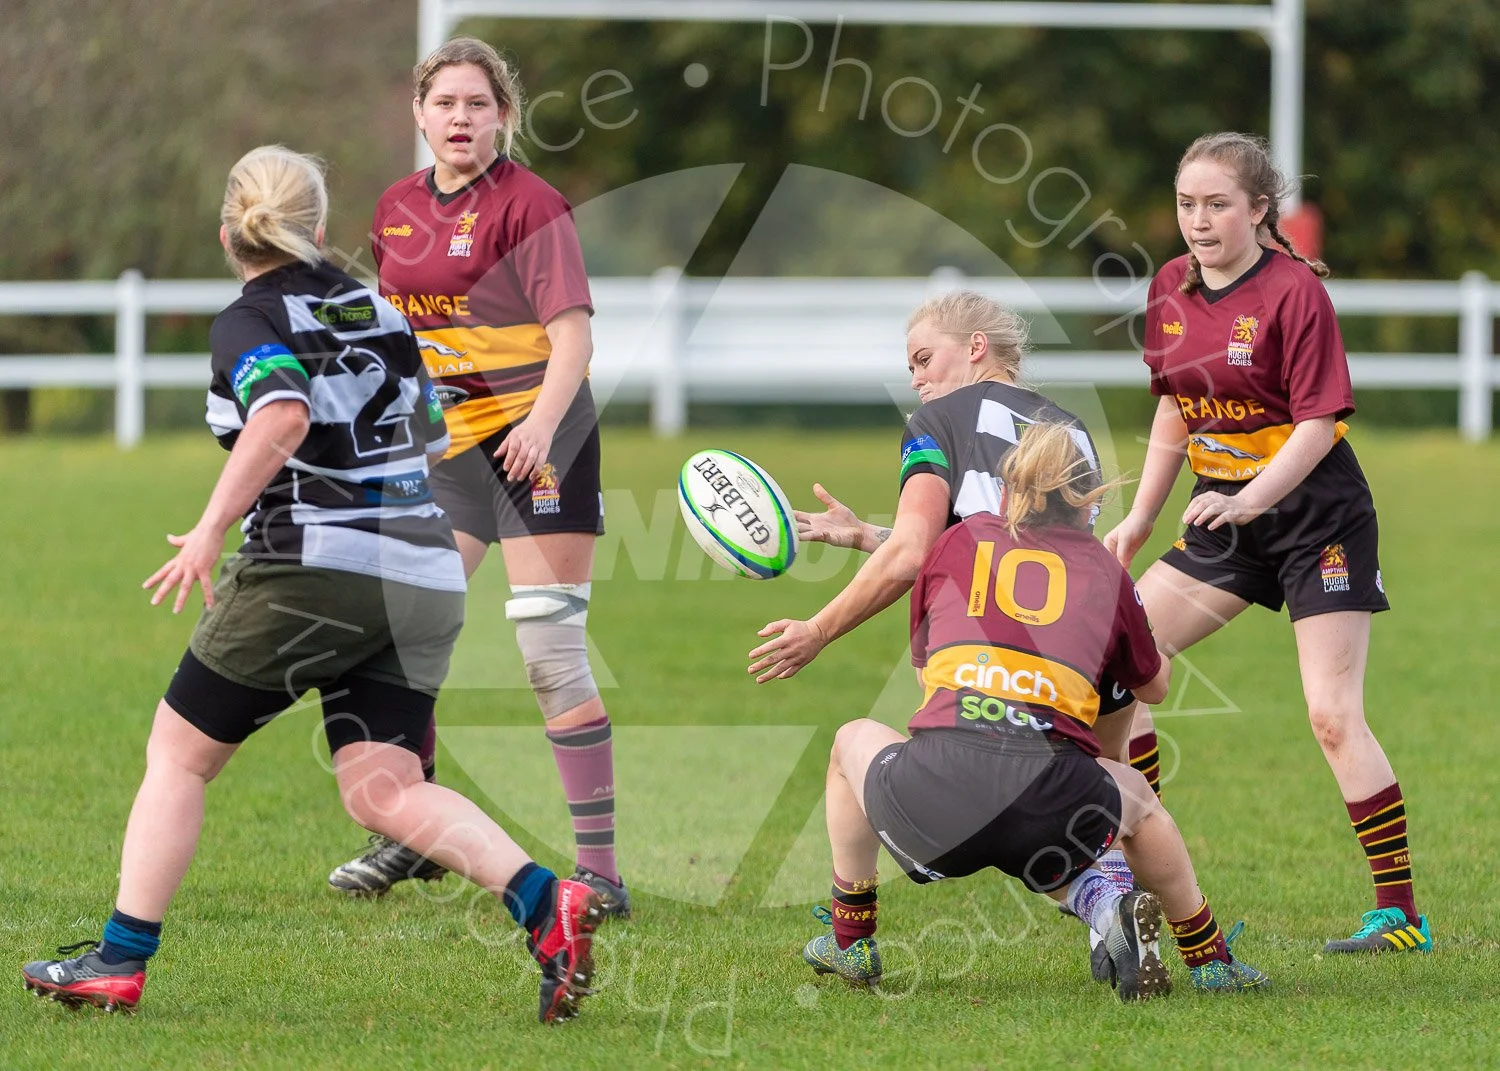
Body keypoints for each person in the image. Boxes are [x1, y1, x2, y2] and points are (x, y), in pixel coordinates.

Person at [20, 146, 603, 1024]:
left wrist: (212, 529)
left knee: (178, 755)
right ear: (320, 228)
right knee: (384, 788)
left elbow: (283, 410)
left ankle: (119, 958)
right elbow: (431, 429)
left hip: (312, 572)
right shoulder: (379, 306)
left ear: (228, 233)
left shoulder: (247, 319)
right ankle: (544, 902)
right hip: (424, 573)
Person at [752, 290, 1189, 979]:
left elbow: (925, 555)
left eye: (925, 358)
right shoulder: (1070, 431)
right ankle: (1117, 898)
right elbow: (1035, 558)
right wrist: (872, 533)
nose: (917, 378)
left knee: (904, 763)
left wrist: (818, 628)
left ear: (977, 346)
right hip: (1072, 662)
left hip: (969, 670)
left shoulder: (937, 418)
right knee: (1090, 784)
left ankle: (851, 936)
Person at [792, 423, 1268, 998]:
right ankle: (1209, 959)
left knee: (851, 739)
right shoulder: (1105, 571)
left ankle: (853, 938)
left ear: (1006, 491)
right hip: (1048, 800)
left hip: (932, 797)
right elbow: (1156, 688)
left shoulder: (955, 542)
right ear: (1088, 501)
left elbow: (926, 674)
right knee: (1137, 799)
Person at [1101, 132, 1429, 955]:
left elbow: (1319, 425)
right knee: (1116, 662)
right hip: (1225, 516)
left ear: (1257, 210)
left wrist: (1247, 499)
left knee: (1330, 713)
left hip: (1316, 518)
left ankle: (1400, 914)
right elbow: (1176, 406)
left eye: (1218, 205)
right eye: (1186, 205)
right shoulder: (1169, 287)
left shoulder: (1293, 294)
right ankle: (1149, 880)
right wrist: (1142, 515)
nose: (1199, 222)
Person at [326, 37, 627, 916]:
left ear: (504, 117)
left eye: (478, 104)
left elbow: (572, 333)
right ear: (419, 114)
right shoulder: (394, 209)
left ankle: (601, 871)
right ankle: (410, 829)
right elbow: (397, 338)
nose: (461, 118)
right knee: (397, 629)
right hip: (447, 451)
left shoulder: (532, 206)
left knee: (548, 653)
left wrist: (537, 424)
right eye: (446, 103)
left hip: (544, 437)